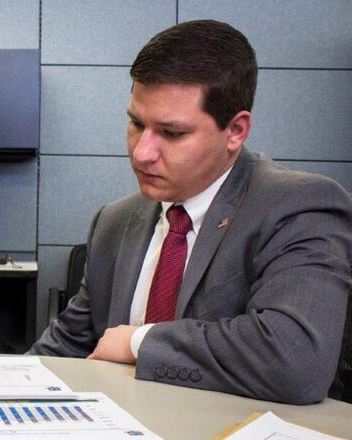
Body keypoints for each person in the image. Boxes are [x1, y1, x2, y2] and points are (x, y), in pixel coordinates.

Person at [29, 20, 352, 404]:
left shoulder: (298, 207)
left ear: (235, 130)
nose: (141, 152)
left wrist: (138, 340)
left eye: (172, 133)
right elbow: (61, 351)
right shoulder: (113, 222)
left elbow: (294, 359)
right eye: (136, 124)